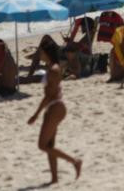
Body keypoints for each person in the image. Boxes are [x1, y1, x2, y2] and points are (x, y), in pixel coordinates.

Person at [27, 40, 83, 184]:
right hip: (54, 106)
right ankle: (54, 178)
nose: (40, 54)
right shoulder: (52, 67)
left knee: (42, 145)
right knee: (49, 146)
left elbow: (48, 95)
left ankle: (75, 161)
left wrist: (36, 114)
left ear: (47, 53)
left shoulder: (53, 70)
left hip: (55, 107)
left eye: (41, 52)